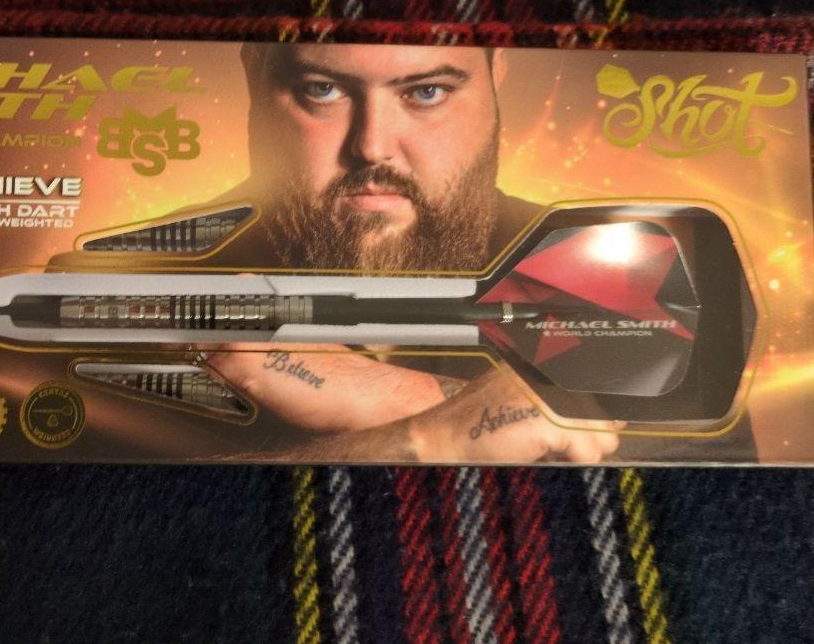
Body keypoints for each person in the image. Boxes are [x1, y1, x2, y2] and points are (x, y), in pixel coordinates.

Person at [192, 41, 622, 464]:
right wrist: (450, 428)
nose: (372, 147)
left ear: (496, 77)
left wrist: (399, 405)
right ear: (252, 72)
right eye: (322, 90)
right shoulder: (163, 267)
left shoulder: (602, 269)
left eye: (427, 92)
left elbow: (650, 463)